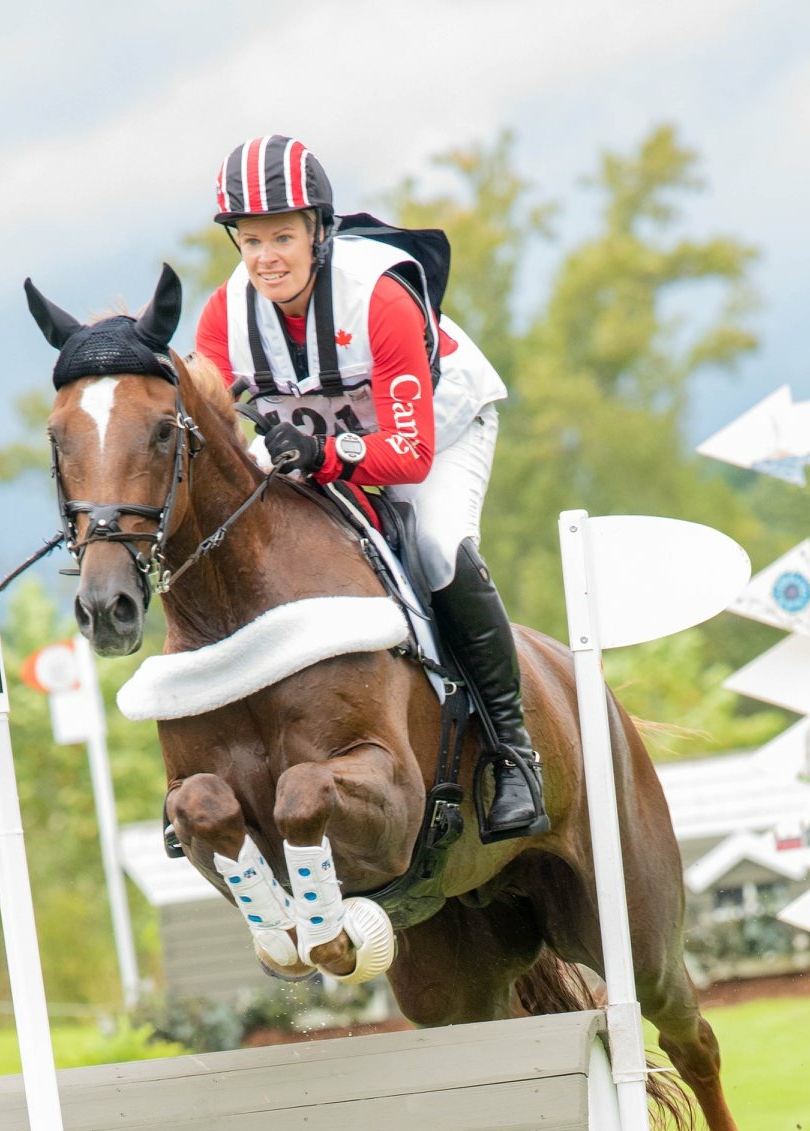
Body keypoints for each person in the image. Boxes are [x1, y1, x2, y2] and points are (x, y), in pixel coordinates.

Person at [194, 134, 550, 842]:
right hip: (319, 448)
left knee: (438, 548)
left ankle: (514, 753)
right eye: (250, 238)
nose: (266, 257)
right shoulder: (221, 319)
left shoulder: (379, 298)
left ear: (318, 232)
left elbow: (410, 454)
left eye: (283, 237)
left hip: (437, 434)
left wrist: (323, 452)